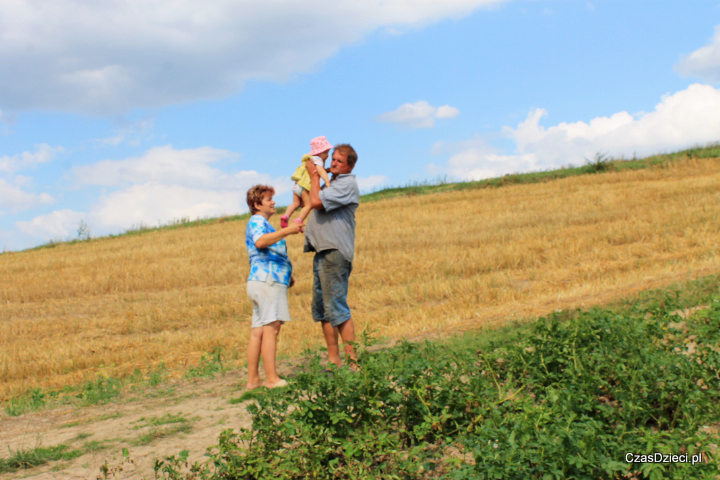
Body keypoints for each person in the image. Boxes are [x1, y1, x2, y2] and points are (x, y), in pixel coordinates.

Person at [303, 144, 360, 369]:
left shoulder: (346, 184)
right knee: (323, 310)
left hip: (334, 251)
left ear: (351, 165)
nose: (333, 163)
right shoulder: (333, 181)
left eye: (339, 161)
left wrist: (314, 175)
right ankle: (334, 360)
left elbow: (316, 202)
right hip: (322, 250)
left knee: (336, 306)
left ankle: (353, 362)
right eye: (332, 159)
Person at [245, 185, 304, 389]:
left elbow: (261, 251)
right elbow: (261, 243)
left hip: (260, 280)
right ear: (256, 204)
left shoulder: (260, 223)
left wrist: (288, 275)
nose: (273, 202)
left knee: (258, 331)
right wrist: (288, 230)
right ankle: (271, 379)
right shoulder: (258, 221)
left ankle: (253, 380)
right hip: (269, 281)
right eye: (269, 199)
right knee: (272, 328)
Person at [280, 136, 332, 229]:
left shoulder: (309, 159)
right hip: (305, 187)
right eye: (325, 152)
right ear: (319, 152)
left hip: (296, 186)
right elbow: (320, 171)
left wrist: (327, 170)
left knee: (295, 204)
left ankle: (286, 216)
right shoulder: (318, 159)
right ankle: (299, 220)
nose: (327, 155)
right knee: (308, 205)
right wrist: (327, 182)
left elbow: (318, 170)